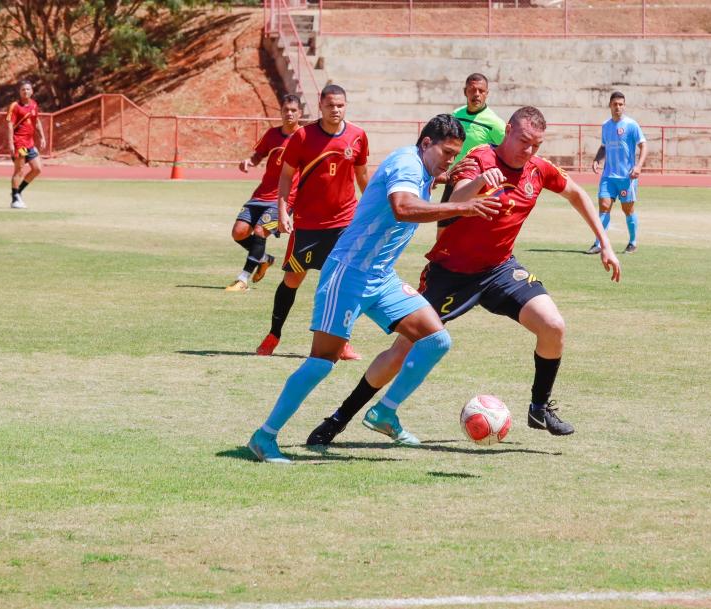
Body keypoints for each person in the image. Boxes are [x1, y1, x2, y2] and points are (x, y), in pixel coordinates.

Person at [305, 106, 622, 447]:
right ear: (508, 131)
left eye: (536, 145)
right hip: (449, 273)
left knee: (553, 326)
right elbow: (455, 199)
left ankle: (539, 408)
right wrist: (481, 183)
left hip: (499, 269)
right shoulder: (479, 158)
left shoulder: (538, 169)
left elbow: (576, 192)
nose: (528, 150)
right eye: (523, 141)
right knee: (403, 350)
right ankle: (340, 419)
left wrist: (605, 244)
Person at [246, 114, 502, 463]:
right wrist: (463, 207)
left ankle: (384, 412)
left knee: (436, 340)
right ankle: (265, 436)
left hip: (381, 277)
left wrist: (462, 179)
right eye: (447, 153)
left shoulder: (424, 167)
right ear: (427, 143)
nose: (450, 160)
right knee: (322, 362)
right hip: (348, 274)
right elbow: (402, 207)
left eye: (455, 155)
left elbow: (433, 187)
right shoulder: (406, 163)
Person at [254, 85, 369, 360]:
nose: (335, 110)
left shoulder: (358, 136)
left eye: (340, 105)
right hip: (308, 224)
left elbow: (363, 176)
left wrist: (372, 210)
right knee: (293, 279)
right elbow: (286, 176)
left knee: (343, 284)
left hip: (344, 224)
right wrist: (283, 211)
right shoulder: (303, 136)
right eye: (330, 105)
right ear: (320, 106)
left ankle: (341, 342)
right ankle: (273, 335)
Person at [225, 94, 304, 292]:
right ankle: (263, 258)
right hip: (261, 194)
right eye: (286, 110)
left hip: (284, 198)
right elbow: (259, 154)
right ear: (281, 112)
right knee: (239, 232)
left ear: (300, 113)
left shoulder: (306, 137)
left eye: (293, 110)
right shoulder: (272, 134)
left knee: (260, 231)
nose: (289, 113)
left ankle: (243, 279)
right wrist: (249, 162)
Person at [436, 73, 505, 234]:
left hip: (477, 185)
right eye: (472, 90)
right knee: (442, 231)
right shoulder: (455, 115)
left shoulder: (495, 124)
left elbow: (507, 152)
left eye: (481, 90)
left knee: (471, 234)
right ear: (465, 91)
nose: (476, 94)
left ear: (487, 93)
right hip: (453, 180)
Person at [587, 91, 647, 255]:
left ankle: (633, 242)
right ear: (610, 105)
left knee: (628, 210)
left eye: (621, 104)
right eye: (615, 104)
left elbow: (643, 145)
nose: (618, 107)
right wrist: (597, 159)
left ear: (624, 106)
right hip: (608, 176)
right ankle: (599, 243)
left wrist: (638, 166)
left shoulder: (631, 125)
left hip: (627, 177)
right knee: (604, 207)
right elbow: (604, 146)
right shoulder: (606, 125)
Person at [6, 81, 45, 209]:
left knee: (37, 169)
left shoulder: (34, 104)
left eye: (28, 89)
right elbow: (10, 125)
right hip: (20, 143)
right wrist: (11, 144)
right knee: (19, 170)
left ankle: (18, 191)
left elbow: (36, 121)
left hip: (30, 143)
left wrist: (42, 137)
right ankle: (15, 199)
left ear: (32, 91)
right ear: (19, 92)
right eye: (23, 89)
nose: (25, 91)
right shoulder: (15, 106)